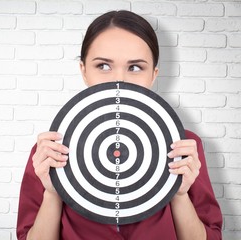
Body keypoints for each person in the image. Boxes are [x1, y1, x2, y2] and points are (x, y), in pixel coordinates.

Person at [17, 10, 222, 240]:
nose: (119, 80)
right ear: (84, 71)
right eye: (103, 66)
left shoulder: (184, 147)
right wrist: (54, 192)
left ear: (153, 75)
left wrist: (179, 194)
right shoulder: (51, 151)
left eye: (135, 67)